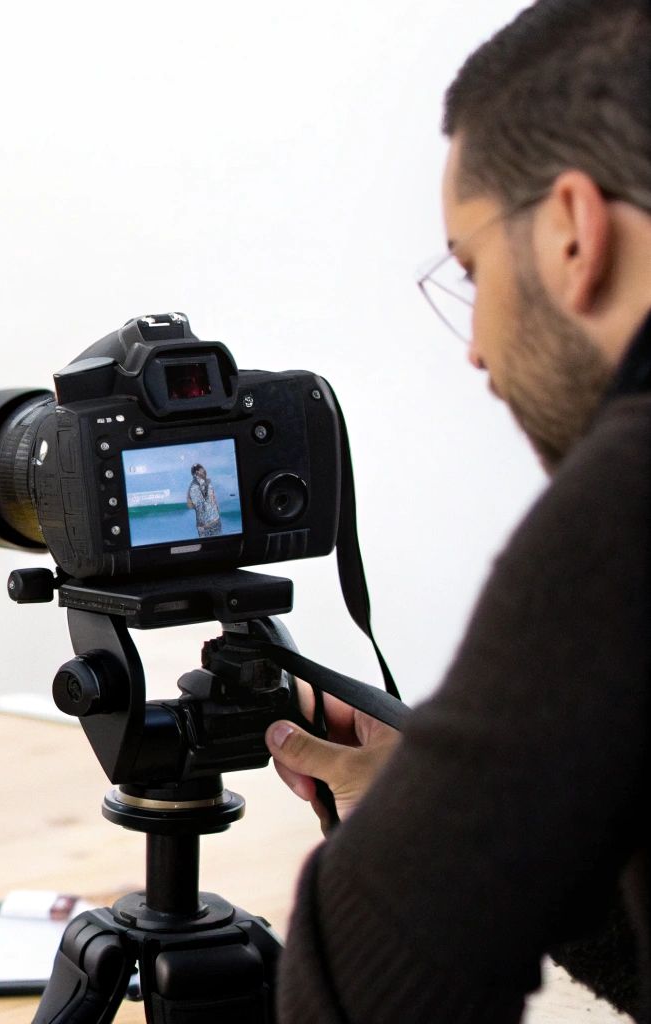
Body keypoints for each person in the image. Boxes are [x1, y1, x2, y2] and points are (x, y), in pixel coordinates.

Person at [266, 1, 651, 1019]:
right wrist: (488, 821)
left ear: (572, 230)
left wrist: (407, 848)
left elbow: (363, 972)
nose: (474, 345)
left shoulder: (627, 497)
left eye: (469, 268)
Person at [186, 464, 223, 538]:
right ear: (197, 472)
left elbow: (213, 499)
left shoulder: (208, 483)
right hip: (206, 526)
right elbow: (200, 506)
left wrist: (217, 511)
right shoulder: (194, 487)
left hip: (215, 522)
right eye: (203, 470)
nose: (205, 471)